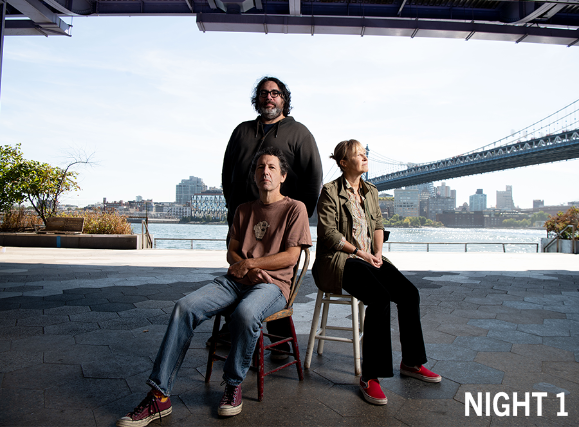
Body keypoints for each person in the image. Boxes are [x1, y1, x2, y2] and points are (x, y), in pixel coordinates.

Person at [117, 147, 312, 426]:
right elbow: (232, 252)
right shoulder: (243, 210)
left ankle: (233, 385)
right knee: (184, 307)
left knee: (246, 314)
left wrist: (252, 265)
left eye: (271, 167)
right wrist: (245, 268)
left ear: (282, 175)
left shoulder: (295, 208)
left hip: (272, 285)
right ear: (254, 176)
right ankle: (159, 396)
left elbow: (291, 257)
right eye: (260, 167)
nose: (265, 172)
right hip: (236, 281)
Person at [312, 139, 441, 406]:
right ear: (343, 163)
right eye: (358, 154)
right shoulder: (330, 191)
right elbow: (328, 234)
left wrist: (378, 253)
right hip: (340, 260)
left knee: (409, 293)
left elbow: (379, 225)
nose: (365, 157)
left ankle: (411, 362)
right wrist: (361, 253)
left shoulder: (371, 190)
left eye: (365, 153)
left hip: (370, 258)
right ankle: (370, 377)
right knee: (380, 298)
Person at [220, 76, 322, 357]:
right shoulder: (241, 131)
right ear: (257, 99)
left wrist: (298, 220)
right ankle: (234, 329)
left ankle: (278, 340)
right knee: (240, 270)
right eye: (264, 93)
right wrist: (233, 208)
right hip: (243, 219)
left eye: (275, 93)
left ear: (284, 99)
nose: (269, 97)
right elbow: (227, 173)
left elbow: (313, 179)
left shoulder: (299, 133)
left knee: (273, 278)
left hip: (281, 224)